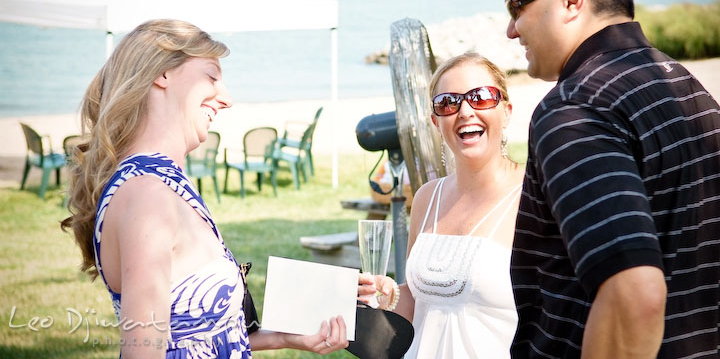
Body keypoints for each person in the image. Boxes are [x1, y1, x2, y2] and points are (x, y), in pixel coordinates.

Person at [61, 19, 348, 358]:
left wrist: (283, 337)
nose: (225, 98)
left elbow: (195, 338)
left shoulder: (166, 184)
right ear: (162, 74)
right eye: (212, 77)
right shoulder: (147, 195)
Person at [505, 0, 720, 358]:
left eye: (517, 7)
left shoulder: (574, 109)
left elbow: (634, 293)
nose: (511, 30)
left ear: (571, 0)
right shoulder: (686, 89)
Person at [359, 52, 525, 358]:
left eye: (481, 97)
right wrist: (388, 294)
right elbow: (416, 298)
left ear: (506, 111)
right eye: (448, 102)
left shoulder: (532, 197)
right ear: (436, 121)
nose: (464, 111)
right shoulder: (426, 197)